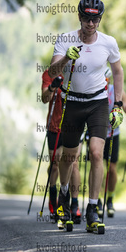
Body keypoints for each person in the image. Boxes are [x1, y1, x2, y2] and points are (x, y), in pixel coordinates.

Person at [48, 0, 124, 232]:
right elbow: (52, 73)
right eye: (86, 18)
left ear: (100, 20)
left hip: (98, 103)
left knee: (96, 153)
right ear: (79, 17)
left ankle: (92, 209)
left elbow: (118, 72)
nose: (90, 24)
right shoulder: (65, 39)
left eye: (95, 19)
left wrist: (118, 105)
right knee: (69, 157)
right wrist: (65, 59)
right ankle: (64, 199)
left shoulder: (108, 42)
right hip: (71, 102)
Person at [41, 71, 82, 224]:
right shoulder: (49, 74)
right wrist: (52, 86)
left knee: (74, 163)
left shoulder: (80, 71)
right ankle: (54, 203)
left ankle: (74, 205)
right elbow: (45, 99)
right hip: (54, 126)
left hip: (74, 126)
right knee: (55, 165)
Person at [96, 68, 126, 218]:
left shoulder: (116, 91)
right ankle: (97, 199)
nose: (104, 81)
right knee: (98, 166)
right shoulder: (94, 91)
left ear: (108, 79)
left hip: (112, 133)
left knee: (112, 169)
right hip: (96, 133)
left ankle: (110, 199)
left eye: (106, 79)